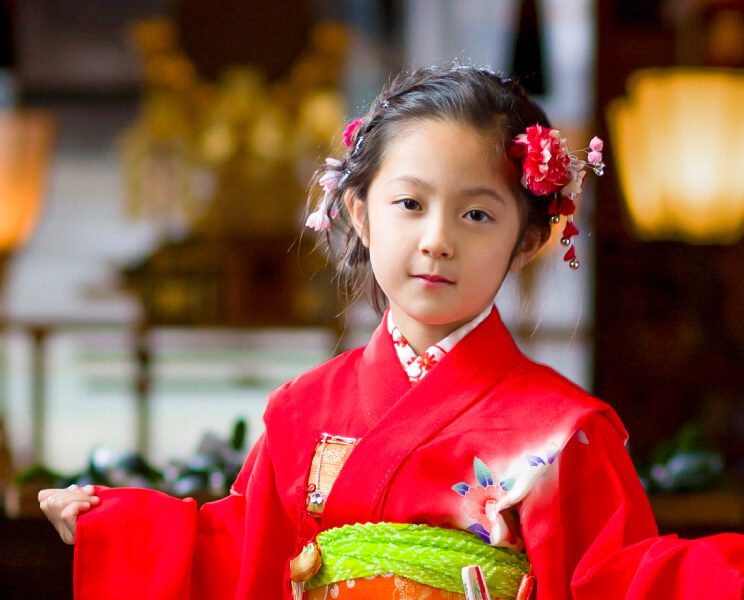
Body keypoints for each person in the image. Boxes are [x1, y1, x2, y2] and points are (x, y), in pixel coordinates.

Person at [39, 64, 744, 600]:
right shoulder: (300, 413)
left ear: (528, 240)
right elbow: (236, 551)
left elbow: (622, 580)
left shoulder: (563, 434)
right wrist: (113, 524)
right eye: (409, 203)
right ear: (359, 212)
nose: (436, 240)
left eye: (477, 216)